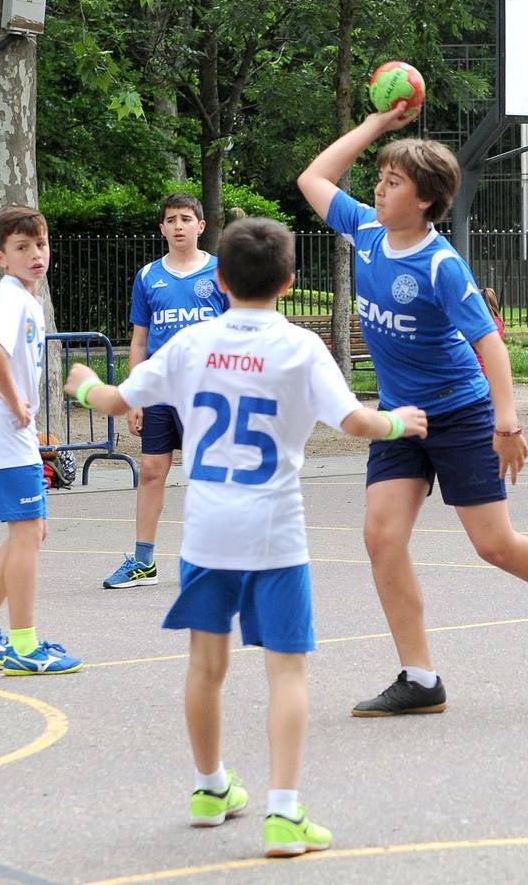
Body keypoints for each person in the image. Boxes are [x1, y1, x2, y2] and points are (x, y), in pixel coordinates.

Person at [64, 217, 428, 857]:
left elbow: (118, 400)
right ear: (289, 282)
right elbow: (354, 422)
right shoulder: (301, 347)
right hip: (275, 531)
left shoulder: (191, 345)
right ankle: (283, 813)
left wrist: (84, 384)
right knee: (287, 670)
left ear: (220, 279)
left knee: (206, 666)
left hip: (208, 529)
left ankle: (209, 788)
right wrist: (399, 422)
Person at [296, 108, 528, 714]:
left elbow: (491, 347)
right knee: (381, 538)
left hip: (460, 413)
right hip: (402, 418)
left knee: (494, 544)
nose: (378, 188)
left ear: (426, 200)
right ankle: (420, 677)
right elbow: (314, 180)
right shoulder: (368, 233)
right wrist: (378, 126)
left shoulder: (440, 265)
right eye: (379, 178)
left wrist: (507, 424)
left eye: (394, 182)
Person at [0, 206, 83, 675]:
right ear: (1, 257)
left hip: (11, 431)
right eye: (22, 248)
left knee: (34, 530)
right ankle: (24, 645)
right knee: (27, 533)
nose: (35, 255)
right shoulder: (8, 298)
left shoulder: (25, 298)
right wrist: (14, 401)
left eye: (40, 245)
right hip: (2, 430)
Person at [103, 193, 228, 589]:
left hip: (207, 391)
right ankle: (144, 562)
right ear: (161, 228)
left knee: (209, 474)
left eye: (186, 219)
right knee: (153, 471)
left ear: (201, 226)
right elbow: (139, 342)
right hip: (159, 388)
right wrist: (133, 396)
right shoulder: (148, 277)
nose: (178, 226)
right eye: (171, 219)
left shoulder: (221, 272)